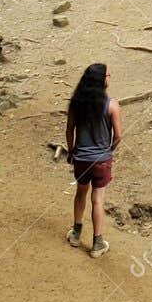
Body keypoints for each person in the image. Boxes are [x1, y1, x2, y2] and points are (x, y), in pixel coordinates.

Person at [64, 63, 121, 258]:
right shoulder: (112, 105)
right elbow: (118, 135)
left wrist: (71, 150)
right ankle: (97, 243)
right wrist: (109, 150)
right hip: (101, 161)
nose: (109, 78)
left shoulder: (76, 103)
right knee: (98, 200)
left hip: (81, 158)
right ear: (102, 80)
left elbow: (69, 129)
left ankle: (76, 233)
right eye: (108, 75)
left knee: (80, 194)